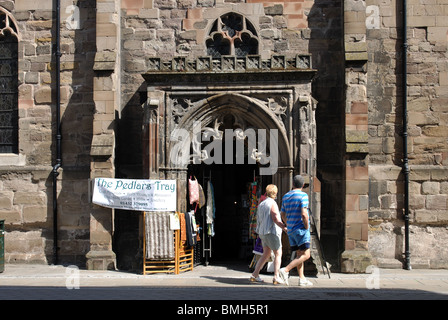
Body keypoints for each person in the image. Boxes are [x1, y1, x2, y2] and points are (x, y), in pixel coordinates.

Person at [278, 175, 313, 287]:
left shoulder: (286, 196)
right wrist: (306, 226)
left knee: (299, 254)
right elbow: (304, 214)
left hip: (291, 230)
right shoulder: (303, 196)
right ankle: (285, 270)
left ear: (292, 184)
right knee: (306, 255)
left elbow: (282, 214)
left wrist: (288, 224)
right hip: (301, 229)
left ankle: (302, 279)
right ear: (303, 185)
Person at [250, 184, 288, 284]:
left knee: (266, 254)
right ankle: (276, 276)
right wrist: (284, 227)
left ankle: (255, 274)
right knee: (278, 253)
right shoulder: (272, 203)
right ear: (275, 193)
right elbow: (275, 218)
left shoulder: (262, 203)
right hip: (271, 232)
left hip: (263, 232)